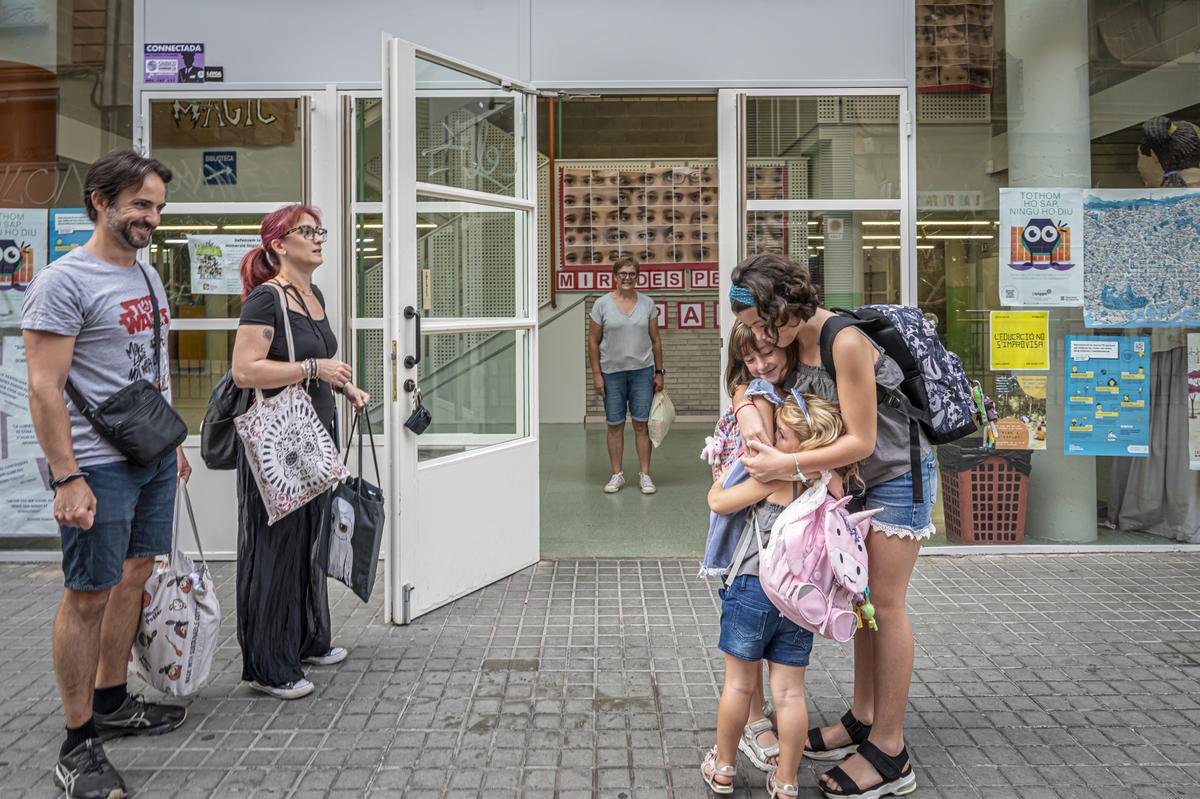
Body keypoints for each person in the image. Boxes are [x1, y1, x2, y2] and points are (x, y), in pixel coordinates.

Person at [730, 252, 931, 799]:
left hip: (894, 477)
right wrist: (749, 414)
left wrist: (784, 466)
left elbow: (863, 440)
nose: (757, 340)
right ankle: (862, 720)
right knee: (862, 600)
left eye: (758, 326)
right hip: (848, 483)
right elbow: (745, 377)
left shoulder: (843, 340)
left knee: (884, 606)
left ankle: (891, 752)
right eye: (749, 329)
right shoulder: (790, 341)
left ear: (786, 311)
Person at [22, 148, 189, 799]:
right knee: (88, 593)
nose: (151, 217)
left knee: (135, 571)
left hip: (150, 454)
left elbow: (153, 363)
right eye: (140, 205)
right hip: (94, 462)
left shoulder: (146, 275)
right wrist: (67, 477)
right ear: (101, 201)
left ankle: (113, 699)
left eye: (157, 207)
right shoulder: (64, 282)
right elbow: (44, 388)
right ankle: (77, 740)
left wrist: (171, 436)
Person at [230, 205, 370, 700]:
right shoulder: (265, 301)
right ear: (278, 245)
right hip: (276, 451)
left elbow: (319, 364)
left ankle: (307, 640)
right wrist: (315, 369)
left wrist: (344, 388)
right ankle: (269, 666)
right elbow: (245, 371)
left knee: (309, 543)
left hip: (310, 441)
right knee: (276, 551)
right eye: (306, 232)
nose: (317, 239)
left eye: (319, 231)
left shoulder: (313, 296)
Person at [702, 394, 860, 798]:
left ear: (801, 448)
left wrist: (724, 471)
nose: (773, 436)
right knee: (790, 693)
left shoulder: (771, 478)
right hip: (800, 600)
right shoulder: (829, 481)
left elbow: (718, 501)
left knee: (738, 686)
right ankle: (787, 782)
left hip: (753, 591)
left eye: (782, 434)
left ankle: (722, 769)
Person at [699, 321, 799, 774]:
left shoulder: (775, 406)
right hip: (779, 568)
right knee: (786, 685)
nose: (761, 366)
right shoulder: (763, 396)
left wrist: (728, 489)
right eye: (751, 361)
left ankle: (729, 756)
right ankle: (783, 772)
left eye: (767, 353)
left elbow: (723, 497)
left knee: (740, 671)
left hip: (753, 559)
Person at [588, 255, 664, 494]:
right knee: (615, 425)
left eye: (632, 274)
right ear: (615, 276)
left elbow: (656, 341)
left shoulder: (647, 304)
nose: (628, 278)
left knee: (642, 425)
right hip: (612, 374)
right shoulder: (602, 305)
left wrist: (659, 372)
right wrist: (597, 374)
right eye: (623, 273)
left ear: (637, 277)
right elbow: (592, 342)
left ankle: (645, 475)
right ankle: (616, 475)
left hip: (642, 373)